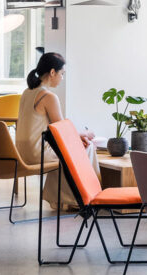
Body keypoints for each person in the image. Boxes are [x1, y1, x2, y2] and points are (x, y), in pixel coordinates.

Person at [15, 52, 97, 212]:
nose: (62, 78)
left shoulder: (27, 92)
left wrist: (78, 136)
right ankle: (84, 198)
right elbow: (62, 131)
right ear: (52, 72)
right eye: (62, 74)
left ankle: (61, 199)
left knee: (69, 148)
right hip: (36, 152)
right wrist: (85, 134)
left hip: (21, 151)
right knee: (87, 147)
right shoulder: (48, 96)